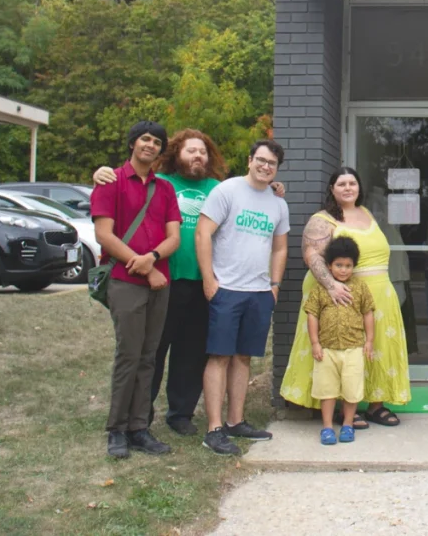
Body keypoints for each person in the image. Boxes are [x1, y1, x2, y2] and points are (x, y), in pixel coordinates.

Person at [93, 130, 285, 437]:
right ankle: (140, 415)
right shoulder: (162, 184)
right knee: (153, 350)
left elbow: (250, 193)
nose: (198, 157)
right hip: (164, 280)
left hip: (206, 283)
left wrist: (272, 187)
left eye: (203, 152)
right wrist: (102, 173)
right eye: (190, 151)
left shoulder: (217, 188)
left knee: (192, 352)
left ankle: (180, 413)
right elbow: (129, 183)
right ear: (174, 154)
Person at [279, 167, 410, 428]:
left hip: (379, 295)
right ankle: (345, 407)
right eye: (342, 184)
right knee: (343, 349)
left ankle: (376, 405)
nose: (348, 188)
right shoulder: (323, 219)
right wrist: (331, 287)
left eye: (352, 182)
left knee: (376, 349)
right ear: (332, 189)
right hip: (343, 295)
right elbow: (312, 255)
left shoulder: (367, 213)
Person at [91, 120, 182, 459]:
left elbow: (174, 236)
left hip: (160, 279)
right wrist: (142, 265)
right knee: (128, 355)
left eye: (157, 141)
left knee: (149, 355)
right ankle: (116, 429)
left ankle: (139, 428)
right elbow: (104, 235)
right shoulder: (110, 182)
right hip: (125, 280)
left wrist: (154, 258)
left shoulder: (165, 190)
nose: (151, 145)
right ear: (133, 143)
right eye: (145, 139)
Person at [196, 140, 290, 456]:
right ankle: (214, 428)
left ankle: (236, 422)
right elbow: (202, 233)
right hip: (226, 289)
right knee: (219, 356)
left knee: (244, 358)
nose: (266, 167)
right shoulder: (227, 191)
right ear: (249, 160)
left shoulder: (278, 203)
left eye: (272, 164)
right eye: (261, 160)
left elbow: (280, 247)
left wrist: (274, 286)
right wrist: (209, 280)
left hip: (259, 292)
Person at [304, 236, 375, 445]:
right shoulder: (321, 290)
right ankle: (327, 427)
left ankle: (348, 424)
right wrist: (315, 343)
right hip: (326, 350)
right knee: (327, 390)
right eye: (338, 265)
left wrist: (369, 341)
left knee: (351, 390)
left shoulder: (360, 288)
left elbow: (368, 313)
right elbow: (312, 315)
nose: (343, 270)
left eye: (348, 266)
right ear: (329, 265)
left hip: (354, 348)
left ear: (354, 266)